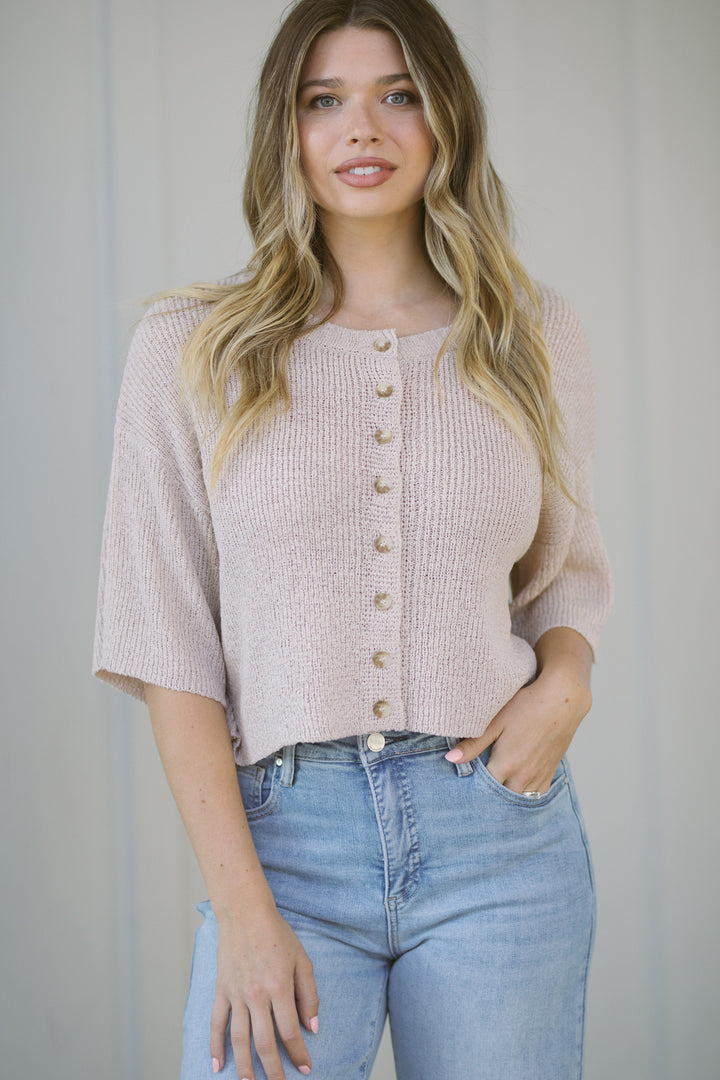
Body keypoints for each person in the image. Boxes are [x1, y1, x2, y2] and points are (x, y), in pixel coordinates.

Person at [92, 0, 613, 1077]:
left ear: (446, 121)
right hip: (284, 847)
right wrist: (243, 913)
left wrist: (567, 683)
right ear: (286, 132)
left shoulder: (530, 332)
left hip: (501, 844)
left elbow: (564, 577)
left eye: (399, 94)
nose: (361, 127)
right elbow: (169, 643)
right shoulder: (192, 349)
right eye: (323, 100)